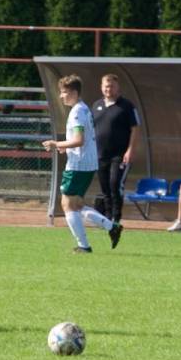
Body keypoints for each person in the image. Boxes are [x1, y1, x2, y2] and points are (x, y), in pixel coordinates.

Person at [43, 74, 123, 253]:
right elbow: (80, 139)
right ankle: (112, 227)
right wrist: (65, 147)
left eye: (64, 92)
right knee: (77, 204)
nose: (61, 96)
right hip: (86, 162)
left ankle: (84, 246)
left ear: (73, 93)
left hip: (78, 164)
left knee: (67, 204)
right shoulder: (84, 108)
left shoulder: (77, 112)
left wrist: (57, 144)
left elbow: (79, 140)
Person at [92, 73, 141, 224]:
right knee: (105, 187)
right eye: (106, 86)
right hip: (101, 154)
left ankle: (116, 218)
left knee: (115, 184)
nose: (109, 89)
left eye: (112, 86)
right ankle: (107, 218)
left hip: (119, 155)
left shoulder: (126, 106)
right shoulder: (96, 105)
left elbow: (135, 128)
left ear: (117, 87)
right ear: (101, 87)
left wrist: (130, 150)